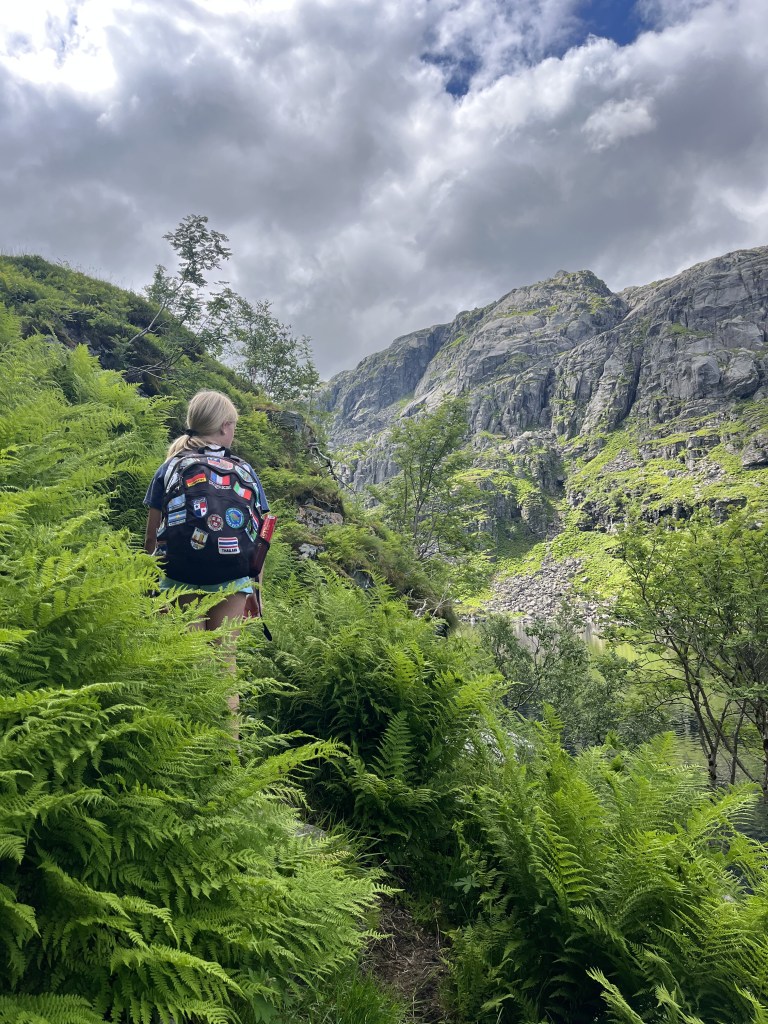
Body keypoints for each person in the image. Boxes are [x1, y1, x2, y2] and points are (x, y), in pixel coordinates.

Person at [144, 390, 269, 712]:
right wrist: (256, 593)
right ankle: (228, 742)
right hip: (233, 579)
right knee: (225, 668)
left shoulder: (171, 466)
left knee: (188, 666)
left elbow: (152, 538)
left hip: (179, 577)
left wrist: (150, 585)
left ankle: (189, 737)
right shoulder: (245, 470)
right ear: (225, 426)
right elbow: (261, 538)